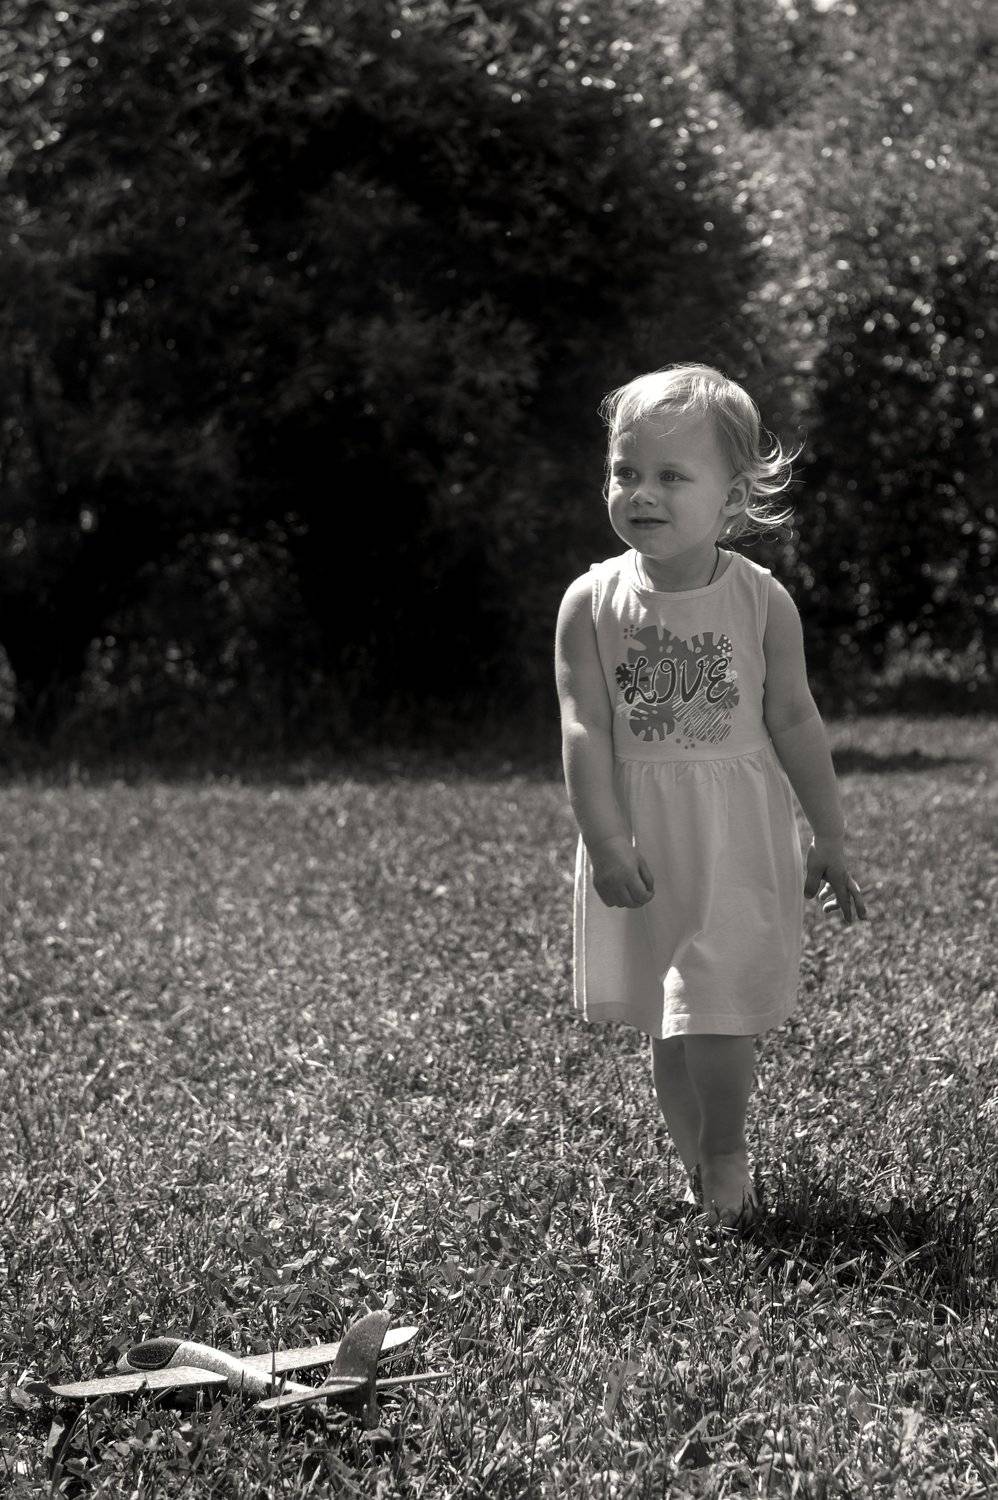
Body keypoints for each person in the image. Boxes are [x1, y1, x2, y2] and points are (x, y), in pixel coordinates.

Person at [554, 364, 868, 1229]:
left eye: (671, 475)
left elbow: (795, 720)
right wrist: (606, 841)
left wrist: (831, 835)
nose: (642, 493)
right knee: (671, 1014)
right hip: (644, 839)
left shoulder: (760, 601)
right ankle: (696, 1158)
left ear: (731, 497)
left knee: (716, 1007)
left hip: (737, 835)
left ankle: (726, 1147)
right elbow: (584, 728)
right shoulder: (591, 602)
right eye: (625, 471)